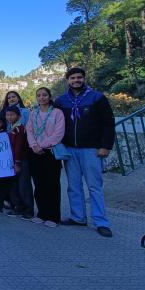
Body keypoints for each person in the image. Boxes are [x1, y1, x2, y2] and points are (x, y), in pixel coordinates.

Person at [56, 67, 115, 237]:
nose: (76, 80)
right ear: (68, 80)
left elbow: (108, 123)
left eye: (79, 77)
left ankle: (101, 222)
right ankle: (78, 217)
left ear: (84, 78)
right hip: (70, 149)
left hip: (91, 149)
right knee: (73, 186)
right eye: (73, 78)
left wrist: (105, 146)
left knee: (94, 186)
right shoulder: (61, 101)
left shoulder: (97, 97)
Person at [26, 87, 65, 227]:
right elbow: (29, 130)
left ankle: (53, 216)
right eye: (39, 95)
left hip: (50, 152)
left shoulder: (57, 113)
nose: (41, 97)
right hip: (35, 152)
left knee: (52, 184)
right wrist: (34, 145)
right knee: (39, 184)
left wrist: (42, 145)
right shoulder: (33, 113)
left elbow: (58, 133)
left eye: (44, 95)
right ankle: (42, 213)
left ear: (49, 97)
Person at [5, 106, 34, 221]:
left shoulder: (20, 128)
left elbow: (19, 147)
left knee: (23, 186)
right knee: (14, 185)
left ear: (19, 116)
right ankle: (18, 207)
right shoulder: (11, 128)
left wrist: (17, 163)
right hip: (12, 161)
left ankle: (28, 210)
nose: (9, 117)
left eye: (12, 115)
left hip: (21, 161)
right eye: (8, 115)